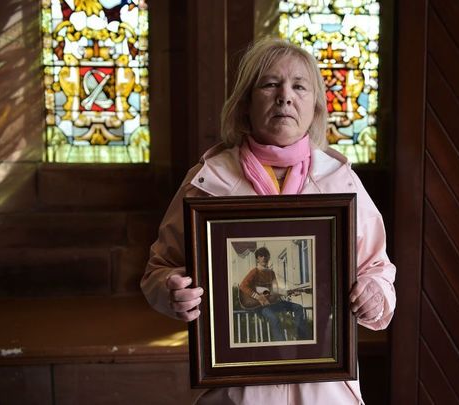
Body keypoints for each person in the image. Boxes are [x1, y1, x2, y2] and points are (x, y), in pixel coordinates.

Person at [141, 37, 396, 404]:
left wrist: (375, 294)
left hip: (323, 387)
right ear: (245, 102)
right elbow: (158, 271)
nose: (285, 96)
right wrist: (172, 291)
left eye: (299, 86)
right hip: (238, 388)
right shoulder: (208, 182)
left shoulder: (341, 183)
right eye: (270, 84)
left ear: (316, 107)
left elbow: (377, 270)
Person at [238, 246, 309, 341]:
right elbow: (243, 286)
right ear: (257, 259)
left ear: (268, 257)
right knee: (274, 319)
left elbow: (275, 291)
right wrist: (257, 297)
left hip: (271, 303)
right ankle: (282, 345)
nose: (264, 257)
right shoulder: (254, 272)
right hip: (259, 306)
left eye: (266, 255)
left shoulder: (271, 273)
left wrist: (288, 292)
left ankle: (302, 339)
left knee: (298, 307)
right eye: (261, 255)